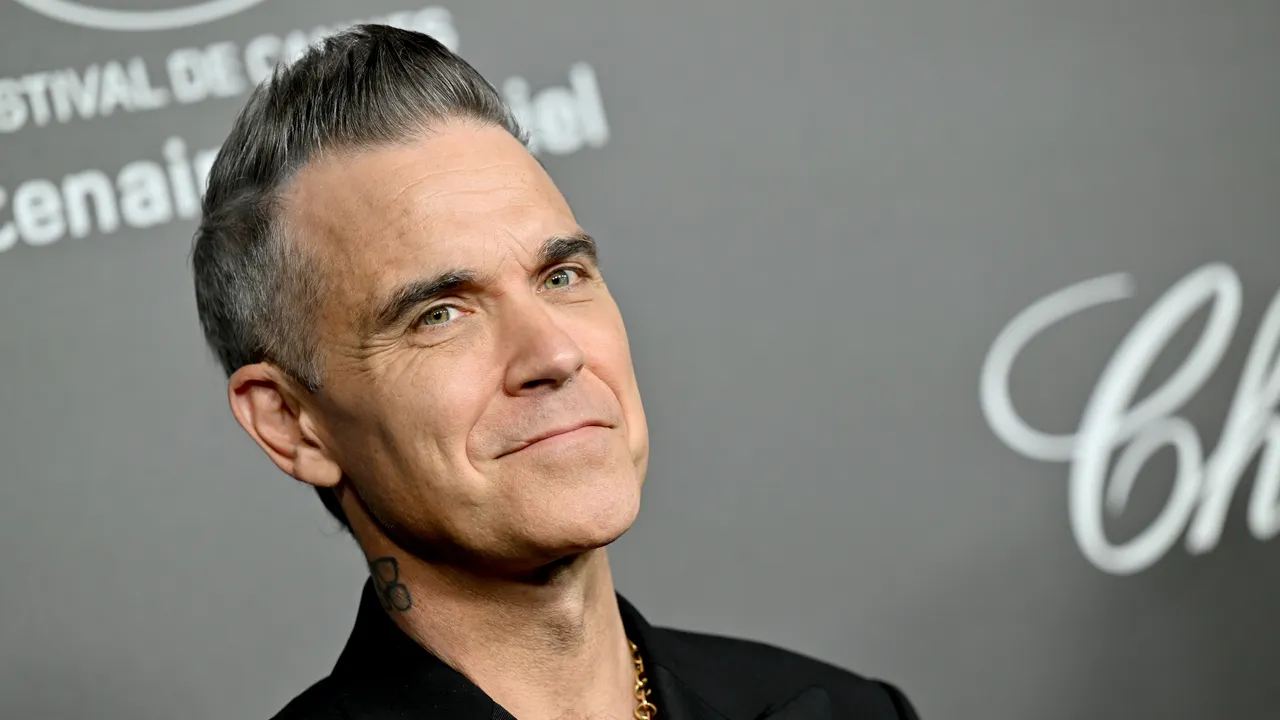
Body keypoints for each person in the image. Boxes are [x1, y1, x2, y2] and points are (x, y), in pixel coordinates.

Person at [191, 24, 921, 720]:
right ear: (292, 424)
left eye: (561, 276)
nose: (556, 355)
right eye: (439, 314)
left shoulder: (850, 710)